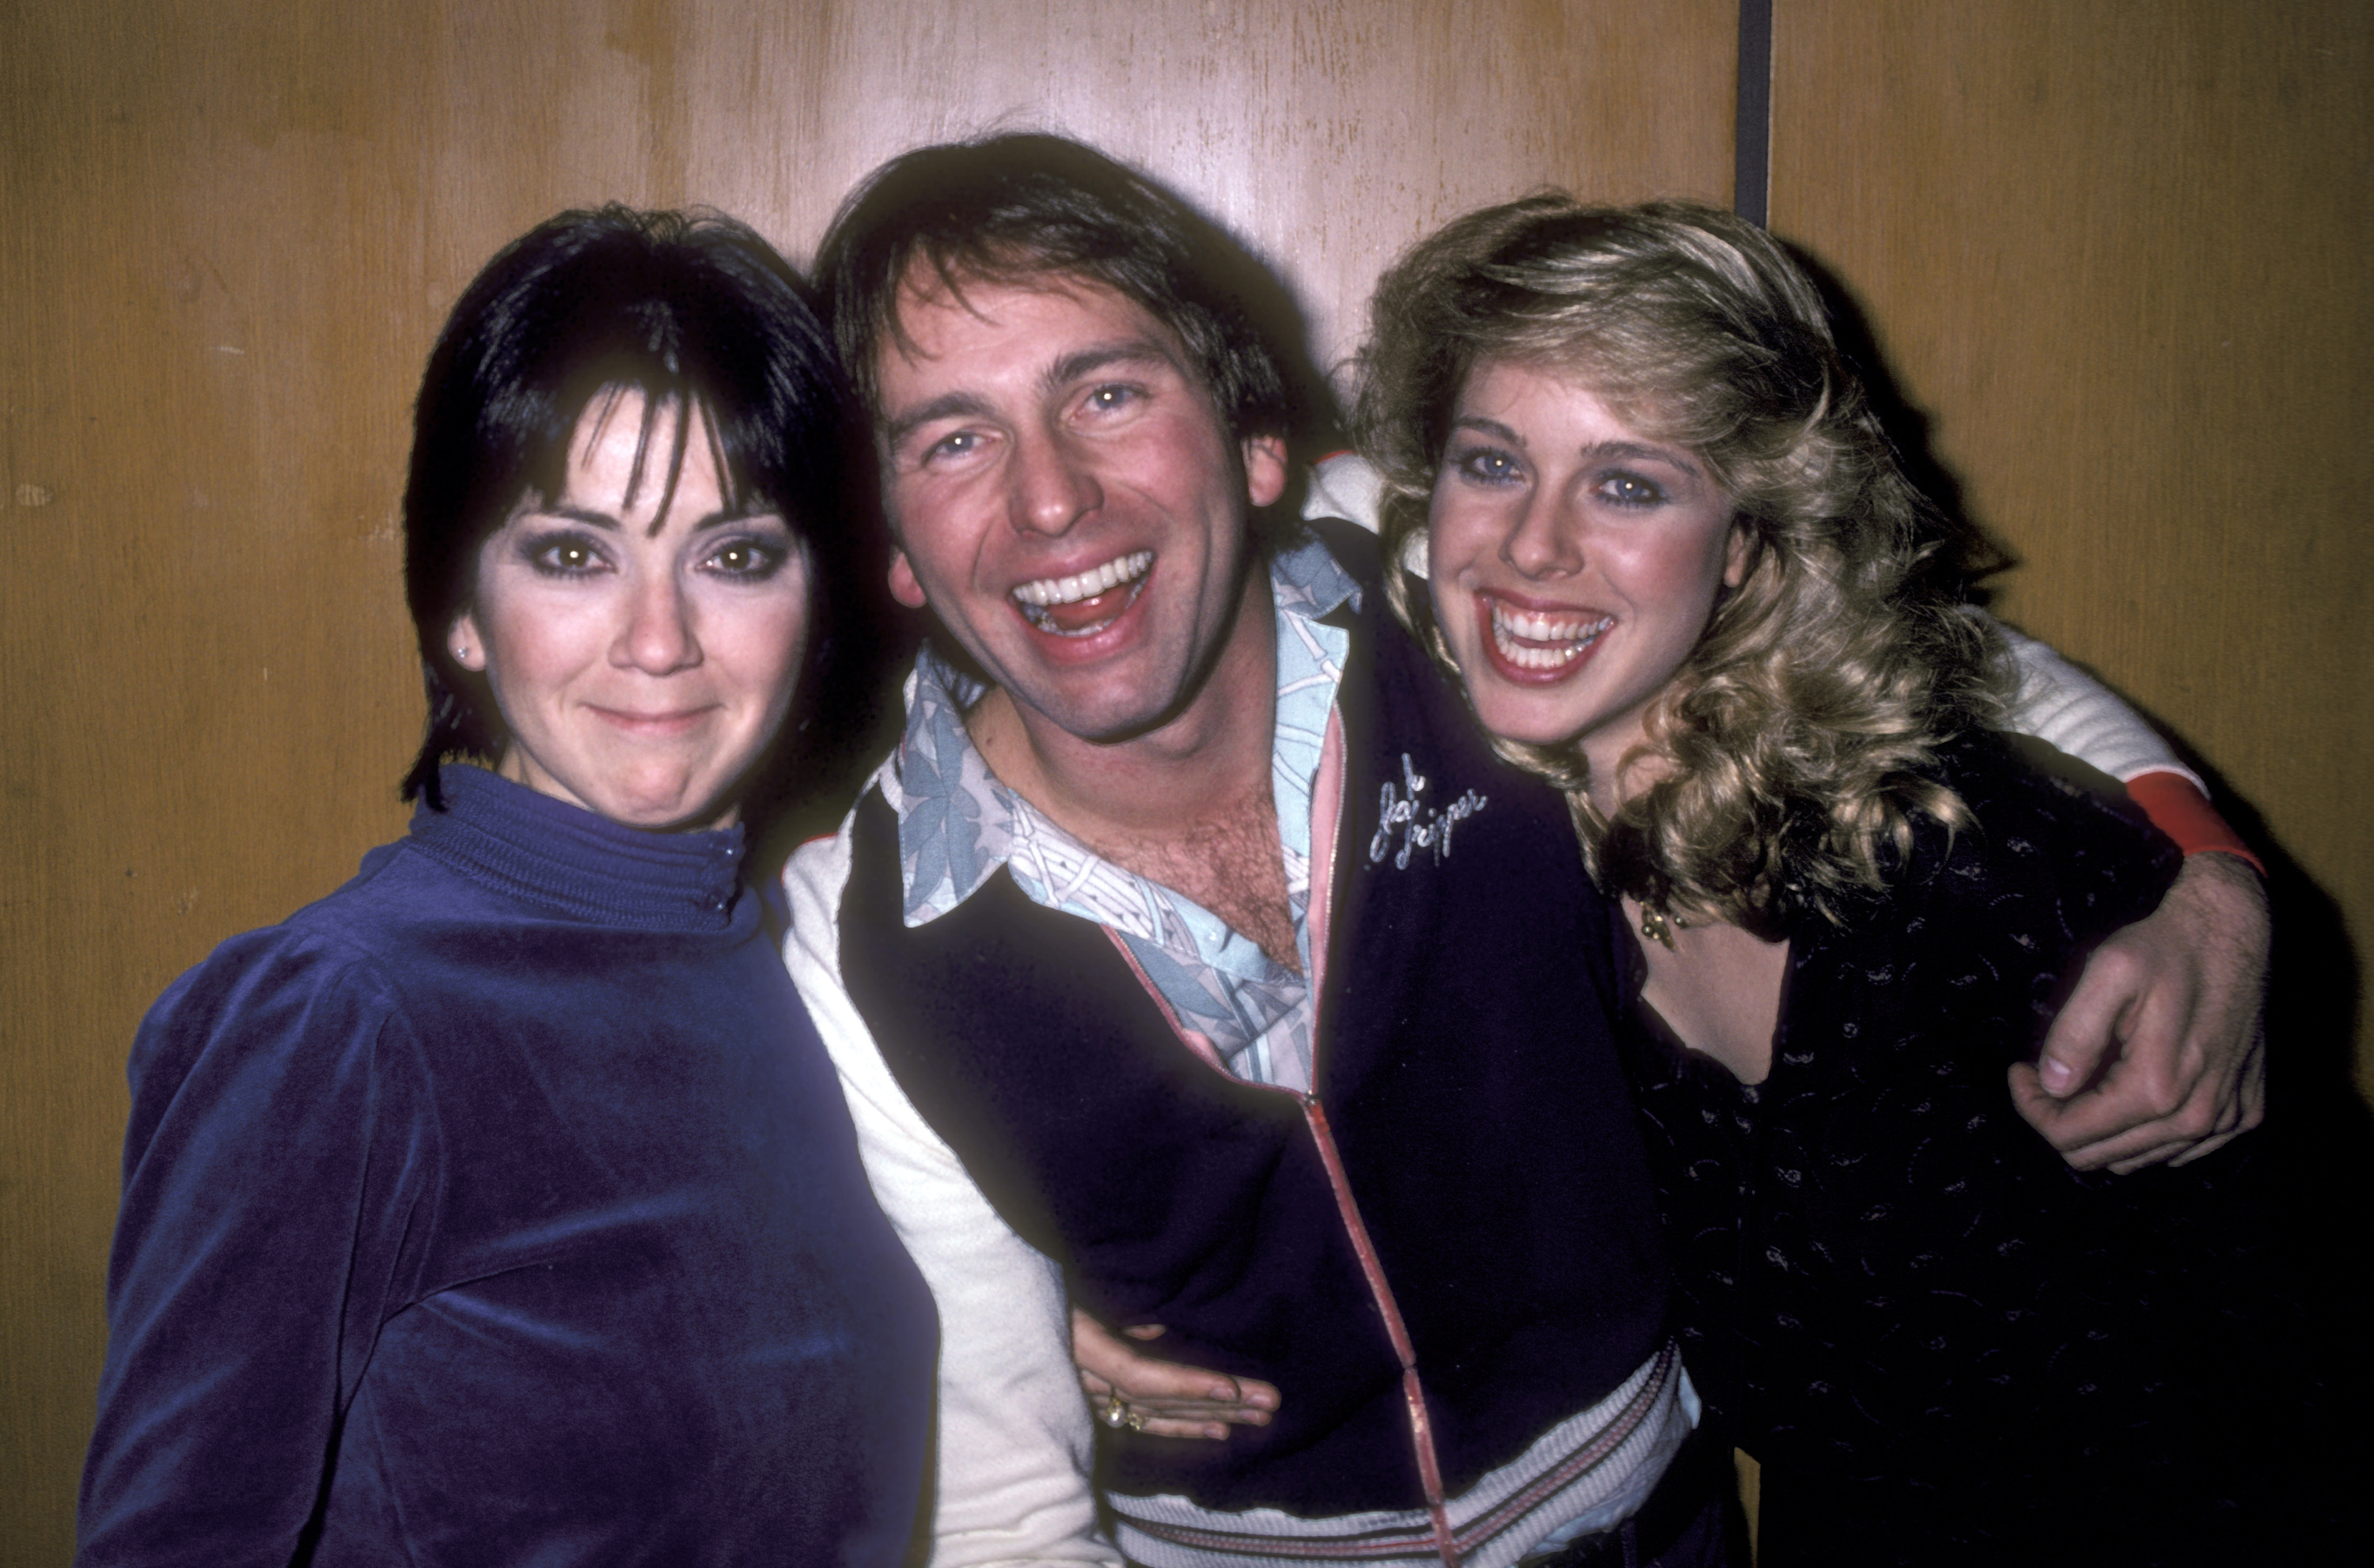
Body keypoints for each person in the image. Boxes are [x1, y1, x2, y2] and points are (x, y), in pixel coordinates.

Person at [779, 134, 2270, 1568]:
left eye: (1105, 394)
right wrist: (1046, 1321)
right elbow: (1002, 1512)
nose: (1049, 501)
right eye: (955, 438)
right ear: (895, 542)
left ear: (1254, 444)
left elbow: (1891, 660)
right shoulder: (865, 929)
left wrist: (2212, 877)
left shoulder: (1441, 578)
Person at [1352, 193, 2308, 1562]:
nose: (1532, 545)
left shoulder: (1965, 858)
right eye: (1491, 464)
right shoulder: (1507, 859)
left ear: (1745, 544)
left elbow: (2293, 1333)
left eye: (1628, 483)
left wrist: (2216, 872)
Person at [77, 206, 935, 1564]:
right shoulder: (338, 1016)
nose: (661, 640)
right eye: (576, 553)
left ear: (818, 600)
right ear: (459, 610)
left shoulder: (776, 956)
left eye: (735, 554)